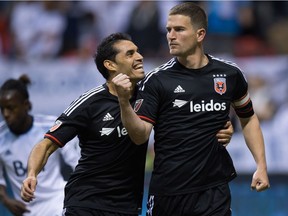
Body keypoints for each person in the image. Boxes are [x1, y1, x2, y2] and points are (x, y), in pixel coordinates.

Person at [20, 33, 234, 216]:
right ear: (110, 65)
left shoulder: (152, 96)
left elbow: (192, 114)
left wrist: (222, 129)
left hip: (127, 206)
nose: (139, 57)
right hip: (86, 201)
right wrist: (32, 174)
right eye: (130, 54)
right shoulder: (91, 102)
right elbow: (47, 144)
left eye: (138, 51)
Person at [112, 2, 270, 216]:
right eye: (168, 30)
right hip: (169, 194)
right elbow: (140, 137)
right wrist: (123, 102)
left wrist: (260, 165)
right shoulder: (157, 81)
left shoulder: (230, 75)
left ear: (200, 34)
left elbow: (249, 119)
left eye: (179, 29)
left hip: (213, 192)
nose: (171, 35)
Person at [0, 74, 79, 216]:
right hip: (26, 210)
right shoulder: (1, 137)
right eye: (2, 109)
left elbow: (77, 163)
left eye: (11, 108)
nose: (6, 114)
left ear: (26, 105)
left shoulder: (50, 126)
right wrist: (5, 199)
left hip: (59, 203)